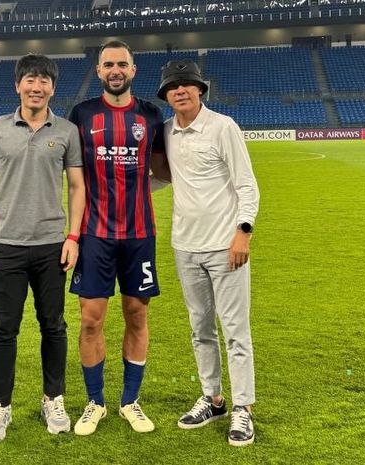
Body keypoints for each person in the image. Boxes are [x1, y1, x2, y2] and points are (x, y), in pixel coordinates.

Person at [0, 53, 85, 442]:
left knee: (53, 327)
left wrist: (73, 237)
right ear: (18, 85)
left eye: (44, 81)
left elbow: (77, 187)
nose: (37, 87)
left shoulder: (67, 131)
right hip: (7, 246)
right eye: (30, 80)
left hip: (53, 245)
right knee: (4, 330)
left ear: (53, 87)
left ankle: (53, 398)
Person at [153, 59, 260, 446]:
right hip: (185, 246)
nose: (180, 91)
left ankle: (243, 409)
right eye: (173, 87)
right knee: (200, 329)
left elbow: (247, 185)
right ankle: (213, 399)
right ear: (166, 96)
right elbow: (164, 179)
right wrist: (119, 185)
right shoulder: (166, 132)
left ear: (200, 90)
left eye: (187, 84)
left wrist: (243, 233)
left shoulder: (223, 127)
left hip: (225, 245)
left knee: (235, 330)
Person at [67, 40, 165, 436]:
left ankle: (130, 401)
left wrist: (136, 189)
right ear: (99, 70)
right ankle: (96, 403)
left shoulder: (152, 116)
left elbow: (165, 170)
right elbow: (72, 173)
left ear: (133, 70)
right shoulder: (82, 114)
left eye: (122, 63)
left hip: (140, 233)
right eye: (108, 64)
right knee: (91, 319)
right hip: (94, 235)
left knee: (136, 315)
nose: (115, 70)